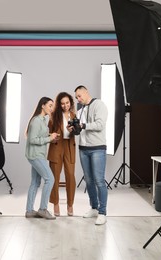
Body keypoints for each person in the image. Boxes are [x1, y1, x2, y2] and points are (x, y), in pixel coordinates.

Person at [73, 85, 108, 225]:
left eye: (79, 96)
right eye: (76, 97)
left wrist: (83, 126)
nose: (78, 99)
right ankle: (94, 208)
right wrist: (74, 128)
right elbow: (79, 130)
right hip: (83, 149)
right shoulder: (80, 110)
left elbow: (100, 124)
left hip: (97, 149)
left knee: (99, 180)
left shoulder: (99, 104)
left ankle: (102, 212)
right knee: (89, 181)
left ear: (86, 92)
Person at [25, 97, 60, 220]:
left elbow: (40, 135)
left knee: (35, 183)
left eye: (52, 106)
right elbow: (32, 140)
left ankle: (29, 211)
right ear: (43, 106)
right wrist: (49, 139)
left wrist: (51, 136)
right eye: (50, 105)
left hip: (37, 155)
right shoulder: (36, 121)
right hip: (36, 156)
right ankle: (43, 209)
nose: (52, 108)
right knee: (50, 179)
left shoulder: (43, 120)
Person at [48, 92, 77, 216]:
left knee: (70, 175)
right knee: (54, 176)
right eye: (62, 103)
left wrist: (74, 130)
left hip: (69, 146)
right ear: (59, 104)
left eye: (67, 103)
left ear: (70, 103)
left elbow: (77, 132)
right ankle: (56, 203)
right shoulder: (54, 115)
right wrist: (52, 137)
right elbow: (48, 132)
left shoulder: (73, 115)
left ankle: (70, 204)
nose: (65, 106)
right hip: (56, 146)